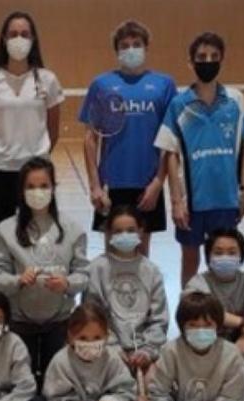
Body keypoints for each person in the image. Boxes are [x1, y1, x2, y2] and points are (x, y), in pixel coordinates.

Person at [156, 31, 244, 285]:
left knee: (224, 259)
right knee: (190, 259)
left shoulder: (236, 101)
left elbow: (243, 149)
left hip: (226, 199)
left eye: (214, 56)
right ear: (190, 62)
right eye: (201, 57)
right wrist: (176, 200)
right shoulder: (179, 104)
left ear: (222, 60)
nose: (207, 61)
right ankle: (190, 311)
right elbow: (171, 154)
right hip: (193, 201)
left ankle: (222, 311)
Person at [0, 157, 90, 386]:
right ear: (21, 191)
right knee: (21, 386)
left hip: (59, 323)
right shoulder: (4, 231)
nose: (38, 192)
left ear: (53, 188)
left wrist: (67, 284)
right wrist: (17, 280)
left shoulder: (73, 230)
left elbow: (84, 275)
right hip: (19, 323)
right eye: (31, 187)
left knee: (54, 387)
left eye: (44, 186)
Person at [81, 20, 175, 256]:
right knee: (113, 254)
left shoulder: (164, 85)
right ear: (117, 51)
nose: (131, 49)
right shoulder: (101, 85)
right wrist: (95, 186)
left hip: (148, 187)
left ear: (146, 48)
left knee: (142, 256)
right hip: (113, 186)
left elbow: (170, 142)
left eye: (136, 44)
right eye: (125, 46)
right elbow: (90, 138)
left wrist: (157, 184)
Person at [0, 10, 65, 232]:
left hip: (36, 173)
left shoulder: (47, 80)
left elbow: (53, 132)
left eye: (25, 34)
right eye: (13, 34)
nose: (19, 39)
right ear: (4, 39)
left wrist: (36, 157)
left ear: (33, 40)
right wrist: (2, 152)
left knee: (38, 235)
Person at [40, 301, 153, 401]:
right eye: (83, 338)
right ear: (71, 336)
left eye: (97, 337)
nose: (90, 344)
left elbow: (126, 389)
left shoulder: (112, 357)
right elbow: (56, 398)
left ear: (106, 336)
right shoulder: (60, 361)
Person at [147, 292, 244, 401]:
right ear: (182, 327)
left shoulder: (232, 354)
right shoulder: (171, 350)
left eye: (208, 325)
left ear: (218, 326)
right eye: (193, 325)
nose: (201, 330)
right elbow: (158, 393)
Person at [84, 205, 168, 377]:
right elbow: (92, 316)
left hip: (144, 351)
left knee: (156, 385)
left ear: (141, 231)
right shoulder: (96, 269)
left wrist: (147, 351)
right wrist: (112, 347)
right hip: (107, 349)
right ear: (108, 234)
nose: (125, 235)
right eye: (118, 231)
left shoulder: (151, 271)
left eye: (130, 230)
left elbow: (159, 319)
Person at [185, 230, 244, 365]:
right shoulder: (197, 283)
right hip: (208, 340)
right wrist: (243, 322)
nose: (225, 257)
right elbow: (203, 311)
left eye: (232, 252)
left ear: (241, 256)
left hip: (242, 340)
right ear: (208, 257)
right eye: (218, 252)